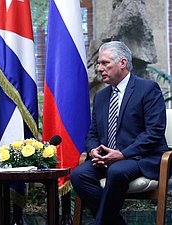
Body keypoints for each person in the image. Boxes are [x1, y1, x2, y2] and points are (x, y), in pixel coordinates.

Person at [70, 41, 168, 225]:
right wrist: (93, 151)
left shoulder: (147, 89)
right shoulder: (100, 97)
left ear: (122, 63)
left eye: (105, 63)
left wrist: (123, 154)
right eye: (99, 63)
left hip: (142, 157)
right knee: (78, 175)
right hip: (108, 159)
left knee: (116, 170)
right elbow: (92, 134)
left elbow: (154, 132)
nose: (99, 68)